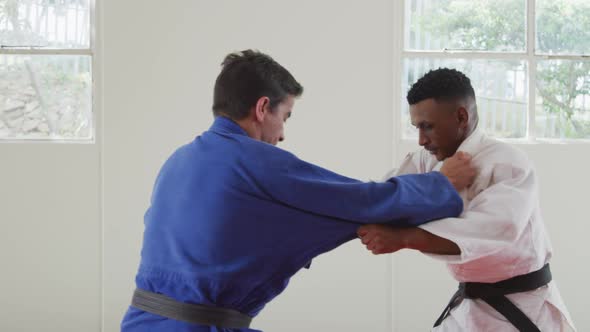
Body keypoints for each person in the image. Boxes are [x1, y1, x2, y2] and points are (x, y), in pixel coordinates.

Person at [120, 51, 476, 332]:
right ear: (262, 108)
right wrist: (441, 184)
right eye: (285, 116)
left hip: (139, 322)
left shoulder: (178, 161)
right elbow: (361, 202)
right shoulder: (255, 160)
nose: (282, 134)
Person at [358, 68, 576, 331]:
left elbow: (494, 228)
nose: (421, 139)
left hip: (524, 308)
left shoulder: (508, 162)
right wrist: (440, 181)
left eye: (428, 126)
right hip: (471, 307)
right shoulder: (428, 160)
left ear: (461, 116)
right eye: (417, 127)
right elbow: (387, 196)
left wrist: (405, 238)